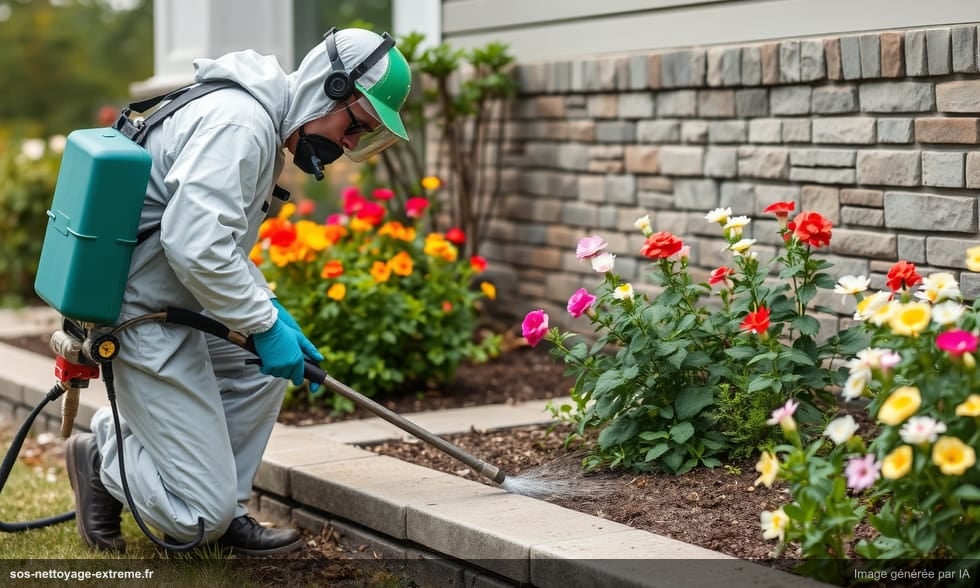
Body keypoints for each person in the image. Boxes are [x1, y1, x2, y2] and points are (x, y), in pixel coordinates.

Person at [64, 27, 411, 555]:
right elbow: (194, 245)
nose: (349, 144)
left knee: (258, 365)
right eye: (356, 126)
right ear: (330, 88)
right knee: (197, 520)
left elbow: (215, 244)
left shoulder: (258, 122)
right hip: (139, 317)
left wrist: (268, 308)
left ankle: (225, 505)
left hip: (173, 302)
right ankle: (104, 456)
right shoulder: (239, 124)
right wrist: (264, 324)